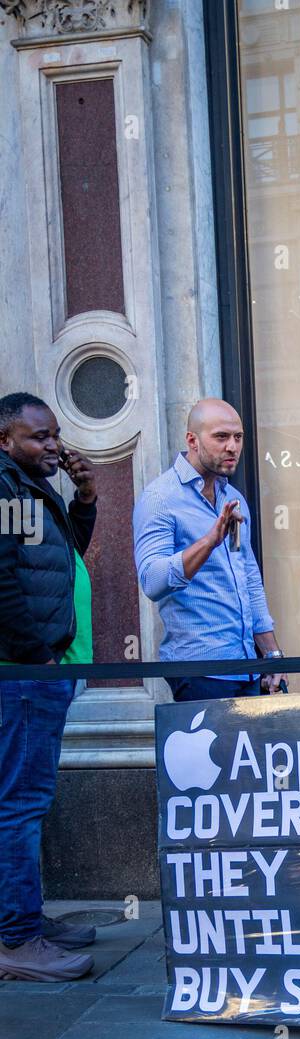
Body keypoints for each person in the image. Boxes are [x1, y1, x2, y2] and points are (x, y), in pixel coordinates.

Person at [0, 392, 98, 980]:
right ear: (5, 439)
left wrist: (84, 499)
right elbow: (4, 583)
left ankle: (24, 916)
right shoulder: (5, 490)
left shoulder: (26, 488)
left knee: (24, 801)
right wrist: (37, 655)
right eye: (39, 437)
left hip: (39, 673)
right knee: (20, 804)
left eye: (55, 435)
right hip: (25, 677)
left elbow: (64, 562)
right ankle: (16, 938)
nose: (54, 446)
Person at [133, 399, 289, 702]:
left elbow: (249, 579)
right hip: (199, 669)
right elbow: (152, 582)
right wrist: (208, 542)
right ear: (192, 440)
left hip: (248, 666)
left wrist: (272, 653)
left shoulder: (233, 498)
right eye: (221, 437)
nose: (232, 447)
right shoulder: (160, 499)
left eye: (238, 437)